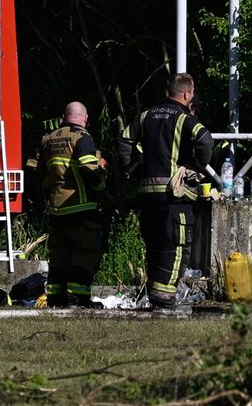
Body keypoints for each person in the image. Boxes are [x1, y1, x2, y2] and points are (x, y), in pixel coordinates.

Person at [117, 73, 213, 310]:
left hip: (147, 195)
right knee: (175, 246)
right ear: (187, 94)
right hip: (174, 196)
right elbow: (205, 140)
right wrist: (195, 166)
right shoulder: (184, 119)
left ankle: (153, 293)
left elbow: (124, 140)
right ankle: (163, 297)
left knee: (155, 245)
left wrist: (134, 168)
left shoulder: (146, 115)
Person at [34, 101, 107, 308]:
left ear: (63, 117)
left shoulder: (47, 138)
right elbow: (89, 170)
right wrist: (101, 182)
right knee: (85, 253)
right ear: (85, 118)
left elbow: (39, 173)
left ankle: (55, 298)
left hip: (56, 209)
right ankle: (77, 298)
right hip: (80, 206)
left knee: (59, 255)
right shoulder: (82, 137)